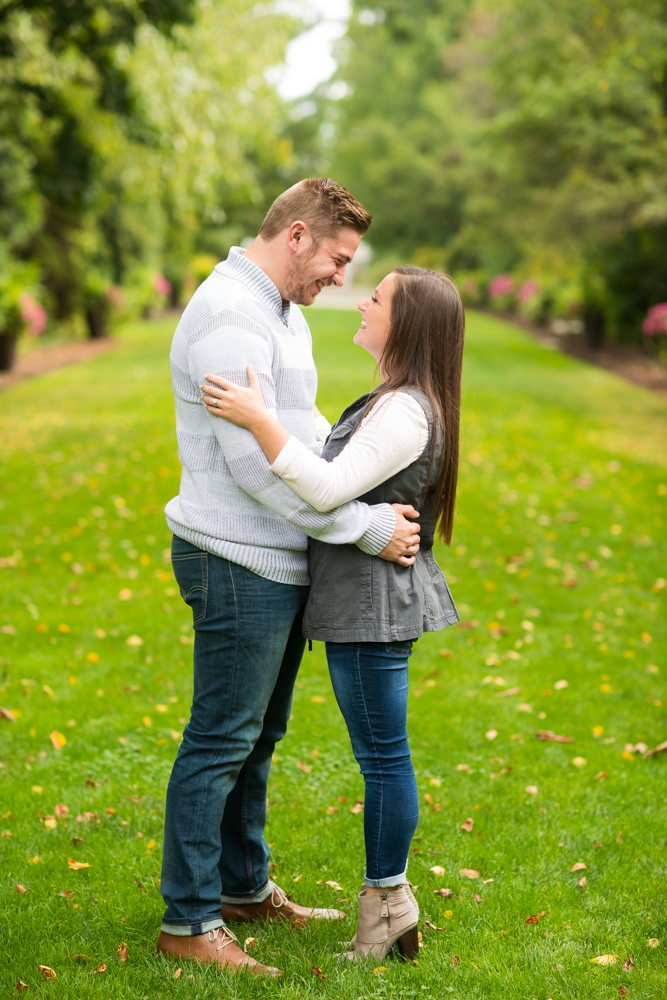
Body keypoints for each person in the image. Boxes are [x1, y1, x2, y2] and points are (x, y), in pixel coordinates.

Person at [157, 178, 422, 977]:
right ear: (298, 235)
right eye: (338, 259)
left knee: (258, 737)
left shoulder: (278, 313)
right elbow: (254, 470)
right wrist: (363, 527)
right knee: (221, 738)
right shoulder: (231, 315)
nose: (341, 278)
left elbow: (298, 431)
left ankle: (240, 888)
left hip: (275, 555)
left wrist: (349, 480)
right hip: (235, 555)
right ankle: (189, 919)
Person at [200, 265, 464, 962]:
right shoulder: (395, 399)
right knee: (381, 755)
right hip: (363, 604)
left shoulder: (406, 408)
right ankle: (388, 905)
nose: (362, 301)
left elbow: (323, 489)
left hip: (372, 609)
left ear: (403, 323)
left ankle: (386, 905)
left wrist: (258, 421)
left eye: (375, 298)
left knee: (382, 758)